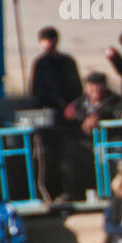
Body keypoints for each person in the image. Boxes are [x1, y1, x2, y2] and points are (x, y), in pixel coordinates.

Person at [30, 26, 83, 199]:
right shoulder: (40, 64)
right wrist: (55, 102)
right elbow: (37, 92)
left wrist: (72, 105)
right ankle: (52, 193)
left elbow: (77, 89)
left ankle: (71, 192)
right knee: (47, 158)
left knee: (70, 156)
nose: (48, 44)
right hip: (49, 119)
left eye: (50, 40)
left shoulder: (67, 62)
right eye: (45, 40)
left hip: (69, 120)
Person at [64, 72, 122, 198]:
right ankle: (75, 195)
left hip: (109, 141)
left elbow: (117, 112)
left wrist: (99, 117)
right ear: (86, 87)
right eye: (92, 85)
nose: (95, 89)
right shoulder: (79, 103)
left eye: (99, 85)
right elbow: (71, 116)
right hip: (85, 144)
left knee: (114, 159)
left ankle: (112, 195)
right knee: (70, 159)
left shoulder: (114, 100)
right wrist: (85, 119)